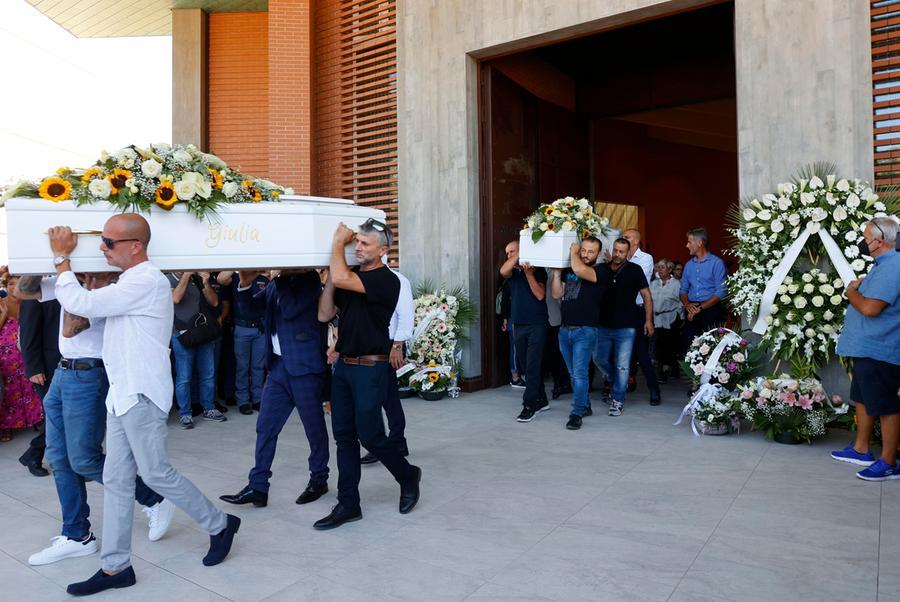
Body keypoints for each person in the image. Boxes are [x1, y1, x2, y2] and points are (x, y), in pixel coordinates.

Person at [46, 216, 240, 596]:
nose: (101, 247)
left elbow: (79, 302)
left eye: (108, 242)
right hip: (121, 393)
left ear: (135, 245)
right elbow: (87, 312)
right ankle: (116, 567)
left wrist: (61, 259)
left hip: (142, 393)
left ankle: (219, 523)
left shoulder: (145, 279)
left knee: (155, 473)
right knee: (117, 482)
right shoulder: (130, 281)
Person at [13, 273, 175, 566]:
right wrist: (36, 263)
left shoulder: (112, 288)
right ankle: (77, 536)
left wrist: (72, 281)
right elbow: (25, 292)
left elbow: (71, 328)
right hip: (63, 373)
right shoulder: (72, 282)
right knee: (59, 458)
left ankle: (153, 498)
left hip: (89, 374)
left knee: (84, 459)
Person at [315, 219, 421, 530]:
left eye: (365, 243)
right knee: (344, 438)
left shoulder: (388, 281)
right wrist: (333, 276)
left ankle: (407, 474)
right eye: (355, 242)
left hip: (371, 368)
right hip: (343, 367)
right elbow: (324, 314)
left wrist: (337, 245)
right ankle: (348, 504)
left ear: (383, 250)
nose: (357, 247)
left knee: (372, 436)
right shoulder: (348, 277)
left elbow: (346, 278)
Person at [220, 269, 331, 508]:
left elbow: (290, 310)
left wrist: (276, 277)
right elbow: (251, 309)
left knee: (314, 429)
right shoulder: (277, 283)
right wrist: (245, 284)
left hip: (304, 368)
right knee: (265, 427)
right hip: (278, 368)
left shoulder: (308, 279)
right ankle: (258, 486)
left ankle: (319, 479)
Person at [831, 217, 900, 481]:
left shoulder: (893, 266)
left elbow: (871, 308)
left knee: (885, 404)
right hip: (868, 347)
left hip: (881, 348)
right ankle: (861, 449)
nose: (863, 242)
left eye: (866, 237)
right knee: (863, 396)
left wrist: (851, 292)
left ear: (879, 241)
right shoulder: (882, 265)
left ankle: (889, 461)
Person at [550, 237, 608, 430]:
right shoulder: (571, 270)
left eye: (591, 251)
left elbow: (580, 270)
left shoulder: (602, 271)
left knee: (580, 374)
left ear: (598, 254)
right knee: (573, 374)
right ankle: (585, 405)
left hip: (585, 330)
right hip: (565, 330)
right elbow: (557, 295)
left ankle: (576, 413)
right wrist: (557, 275)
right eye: (583, 250)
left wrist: (573, 252)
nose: (585, 254)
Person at [361, 254, 414, 464]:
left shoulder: (398, 279)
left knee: (386, 397)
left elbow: (406, 315)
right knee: (384, 396)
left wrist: (397, 346)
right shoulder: (361, 280)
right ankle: (389, 442)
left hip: (390, 344)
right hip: (370, 344)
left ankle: (391, 442)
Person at [593, 238, 654, 417]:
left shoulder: (635, 270)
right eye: (616, 250)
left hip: (626, 327)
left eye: (622, 252)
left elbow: (647, 296)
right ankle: (616, 382)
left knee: (622, 366)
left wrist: (648, 320)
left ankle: (618, 399)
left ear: (628, 253)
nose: (618, 255)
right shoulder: (602, 269)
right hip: (602, 325)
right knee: (599, 359)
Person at [168, 271, 227, 428]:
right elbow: (176, 298)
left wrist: (206, 283)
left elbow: (214, 302)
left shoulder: (197, 279)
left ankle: (209, 409)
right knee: (184, 377)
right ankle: (185, 413)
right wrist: (186, 275)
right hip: (182, 334)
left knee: (208, 374)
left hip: (202, 333)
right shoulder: (167, 279)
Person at [500, 240, 550, 422]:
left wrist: (529, 274)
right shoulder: (512, 273)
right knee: (526, 365)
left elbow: (540, 295)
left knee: (532, 366)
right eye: (507, 253)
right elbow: (503, 271)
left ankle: (529, 405)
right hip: (518, 324)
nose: (509, 255)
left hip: (537, 323)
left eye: (512, 251)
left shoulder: (539, 270)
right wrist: (516, 257)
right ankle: (542, 399)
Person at [16, 295, 59, 476]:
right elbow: (27, 331)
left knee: (63, 419)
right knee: (57, 419)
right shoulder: (36, 289)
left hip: (70, 365)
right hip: (46, 369)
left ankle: (35, 454)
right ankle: (35, 453)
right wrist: (34, 368)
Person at [0, 275, 45, 443]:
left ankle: (32, 420)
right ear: (6, 286)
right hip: (6, 355)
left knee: (29, 387)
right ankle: (8, 427)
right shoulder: (1, 303)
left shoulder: (31, 301)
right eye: (11, 284)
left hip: (25, 353)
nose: (14, 287)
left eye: (17, 283)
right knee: (9, 391)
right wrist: (4, 314)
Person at [217, 271, 269, 415]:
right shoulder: (234, 277)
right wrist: (239, 264)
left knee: (258, 367)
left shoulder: (263, 278)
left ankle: (257, 398)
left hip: (259, 328)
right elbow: (221, 279)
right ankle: (243, 400)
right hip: (242, 327)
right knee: (242, 367)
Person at [624, 228, 661, 405]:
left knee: (642, 354)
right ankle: (619, 387)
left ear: (636, 241)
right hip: (622, 310)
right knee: (620, 352)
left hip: (638, 310)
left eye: (627, 237)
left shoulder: (646, 258)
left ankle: (654, 389)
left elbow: (636, 283)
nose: (623, 239)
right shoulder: (619, 257)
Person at [680, 228, 728, 349]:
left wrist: (700, 308)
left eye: (689, 242)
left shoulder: (717, 263)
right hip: (691, 310)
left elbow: (721, 292)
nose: (687, 245)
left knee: (712, 347)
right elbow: (683, 290)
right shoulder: (689, 265)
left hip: (711, 311)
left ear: (699, 243)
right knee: (690, 347)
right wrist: (687, 305)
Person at [649, 259, 683, 383]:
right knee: (658, 344)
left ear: (669, 270)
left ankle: (665, 370)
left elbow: (681, 301)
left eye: (663, 267)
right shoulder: (653, 283)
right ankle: (666, 368)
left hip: (671, 318)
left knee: (669, 344)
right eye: (658, 267)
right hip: (656, 318)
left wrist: (680, 317)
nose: (660, 269)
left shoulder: (676, 284)